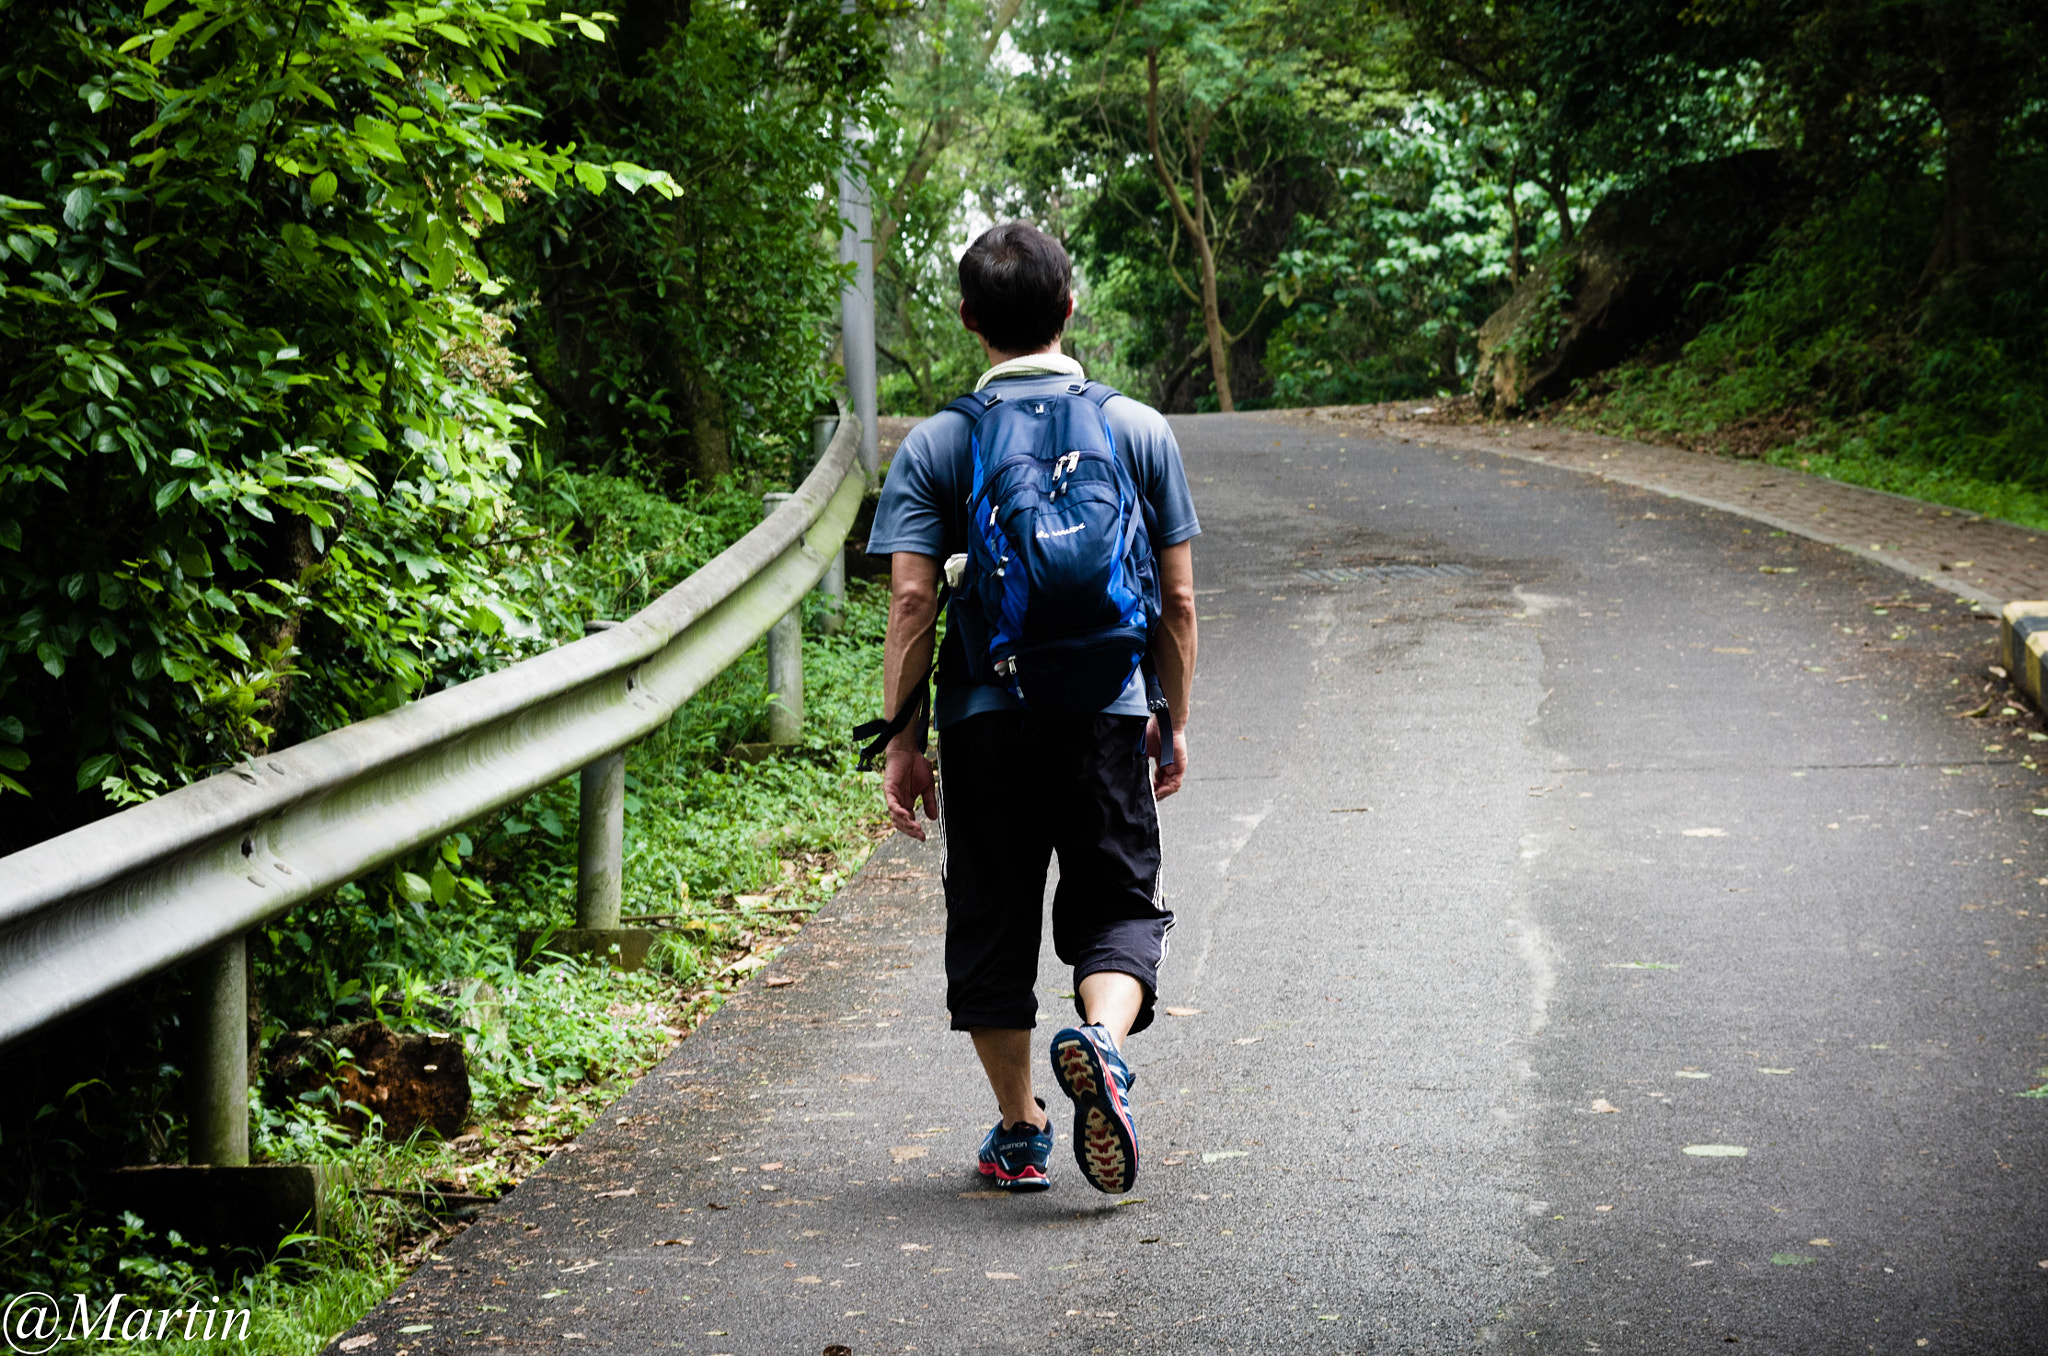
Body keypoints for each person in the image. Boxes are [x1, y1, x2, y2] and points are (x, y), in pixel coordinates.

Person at [864, 222, 1199, 1195]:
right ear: (1069, 304)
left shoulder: (939, 442)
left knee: (992, 918)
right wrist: (1168, 719)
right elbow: (1175, 601)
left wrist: (901, 743)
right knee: (1117, 904)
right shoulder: (1135, 428)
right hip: (1104, 708)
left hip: (982, 717)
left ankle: (1018, 1131)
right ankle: (1100, 1041)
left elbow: (913, 600)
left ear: (969, 322)